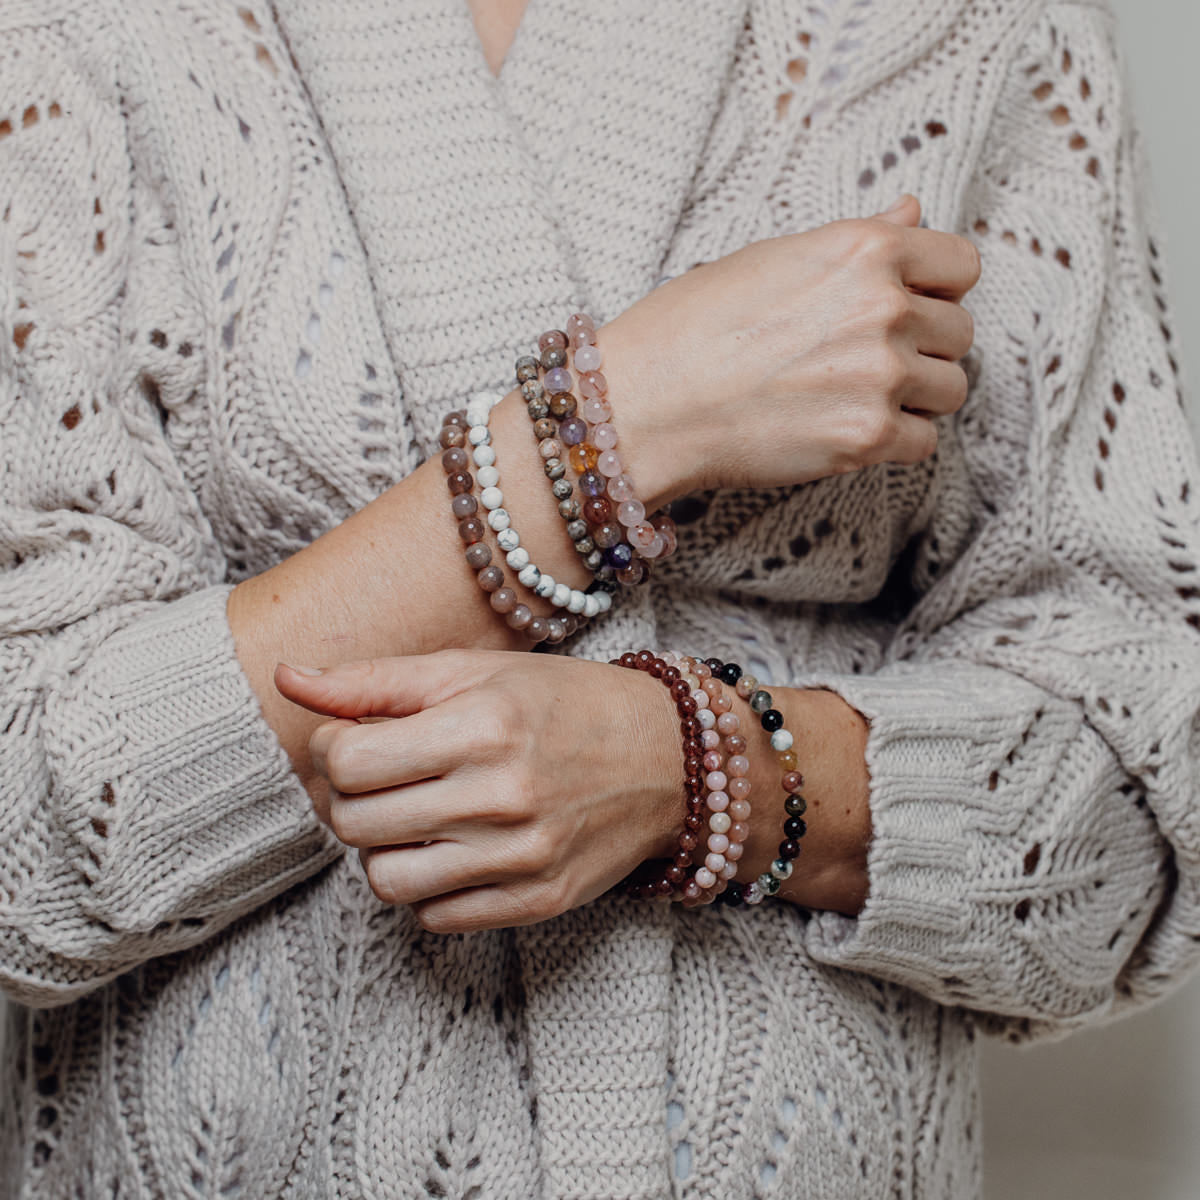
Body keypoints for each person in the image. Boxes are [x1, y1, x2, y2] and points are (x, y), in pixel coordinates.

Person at [2, 0, 1198, 1195]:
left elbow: (1144, 814)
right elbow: (22, 853)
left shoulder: (973, 26)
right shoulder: (77, 35)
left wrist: (704, 774)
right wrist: (618, 426)